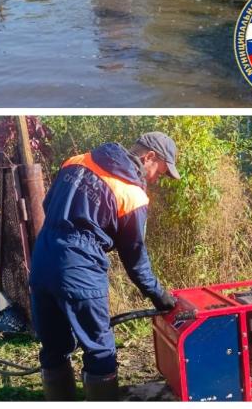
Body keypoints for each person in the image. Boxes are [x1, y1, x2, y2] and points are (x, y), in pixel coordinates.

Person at [29, 133, 180, 400]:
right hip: (80, 269)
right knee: (100, 351)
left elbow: (47, 204)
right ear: (149, 157)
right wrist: (160, 296)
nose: (157, 180)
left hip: (42, 258)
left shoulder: (77, 161)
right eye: (161, 172)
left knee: (54, 347)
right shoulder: (133, 194)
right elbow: (135, 260)